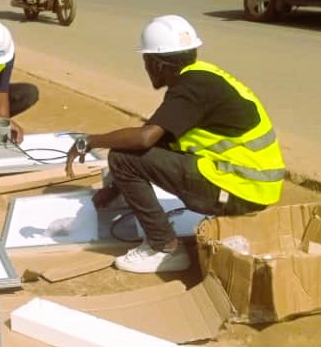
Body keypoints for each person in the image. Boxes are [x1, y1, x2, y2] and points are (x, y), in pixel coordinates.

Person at [66, 15, 285, 274]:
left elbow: (145, 138)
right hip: (255, 185)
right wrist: (116, 188)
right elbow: (161, 139)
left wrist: (91, 141)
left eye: (146, 60)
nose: (146, 67)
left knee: (122, 158)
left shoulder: (189, 90)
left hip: (243, 191)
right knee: (136, 150)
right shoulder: (201, 77)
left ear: (157, 64)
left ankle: (164, 248)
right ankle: (137, 209)